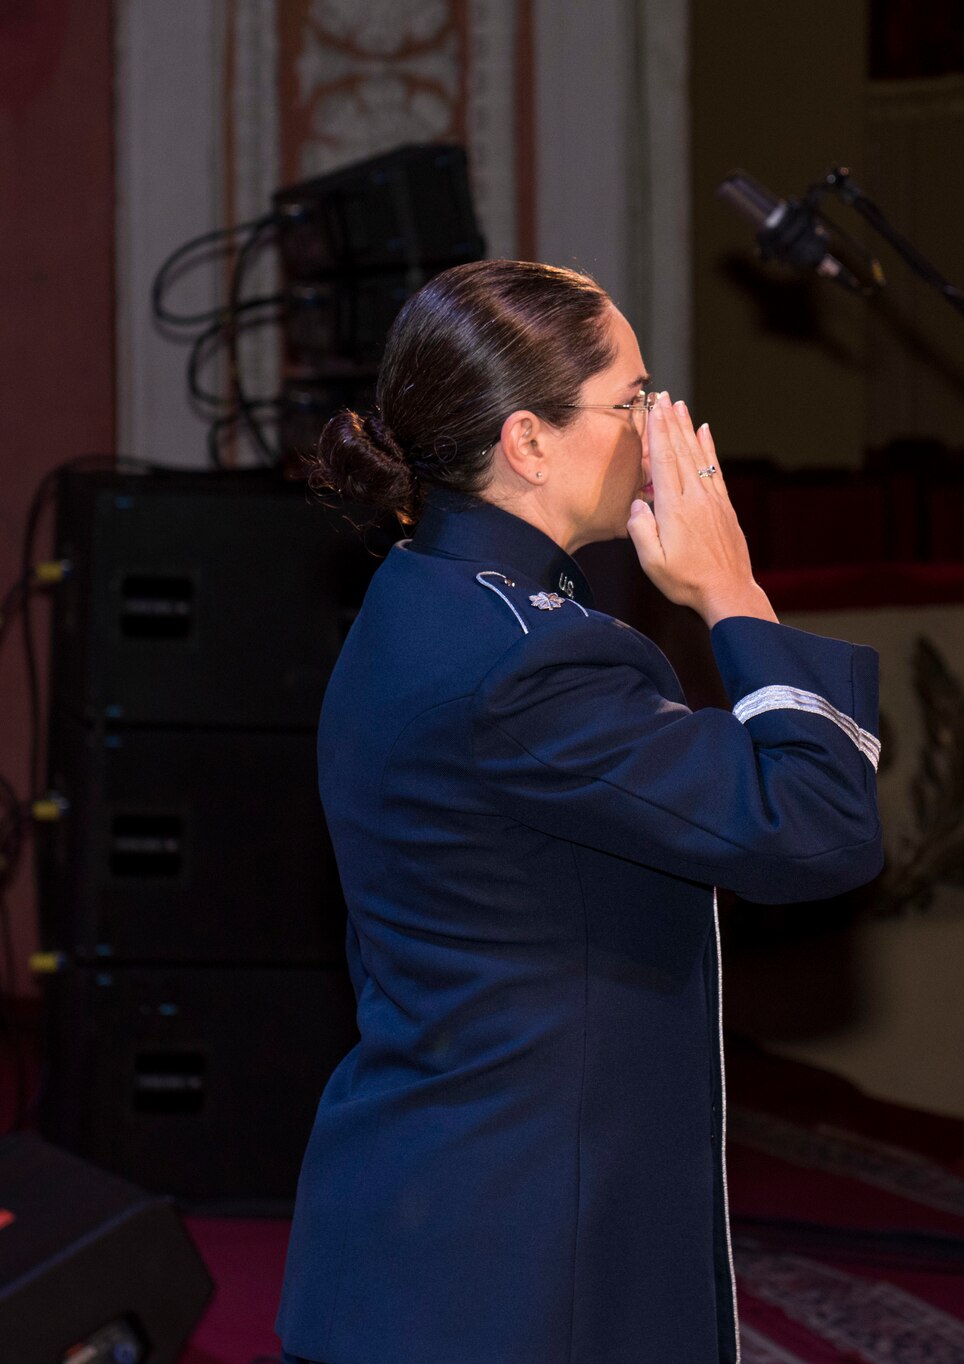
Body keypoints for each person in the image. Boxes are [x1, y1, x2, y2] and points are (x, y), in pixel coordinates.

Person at [275, 260, 884, 1364]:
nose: (659, 431)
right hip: (517, 1266)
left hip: (433, 1222)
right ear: (529, 441)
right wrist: (733, 593)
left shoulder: (423, 594)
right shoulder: (530, 665)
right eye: (633, 399)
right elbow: (816, 827)